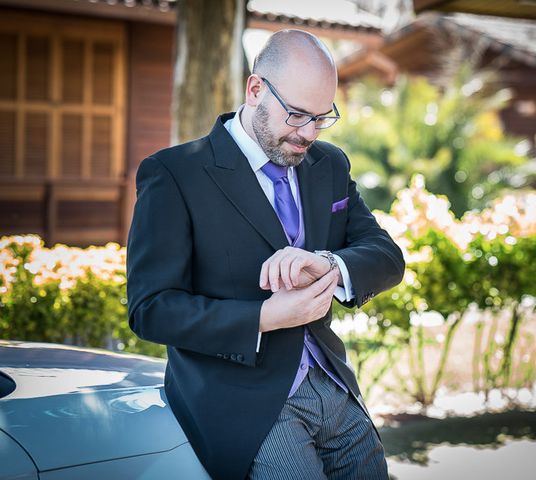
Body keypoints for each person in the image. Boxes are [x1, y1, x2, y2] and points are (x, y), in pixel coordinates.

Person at [126, 29, 405, 480]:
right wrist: (264, 318)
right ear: (255, 89)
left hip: (332, 385)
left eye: (322, 117)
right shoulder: (173, 174)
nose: (309, 133)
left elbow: (387, 256)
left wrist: (332, 266)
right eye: (297, 115)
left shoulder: (329, 164)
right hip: (241, 401)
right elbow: (150, 309)